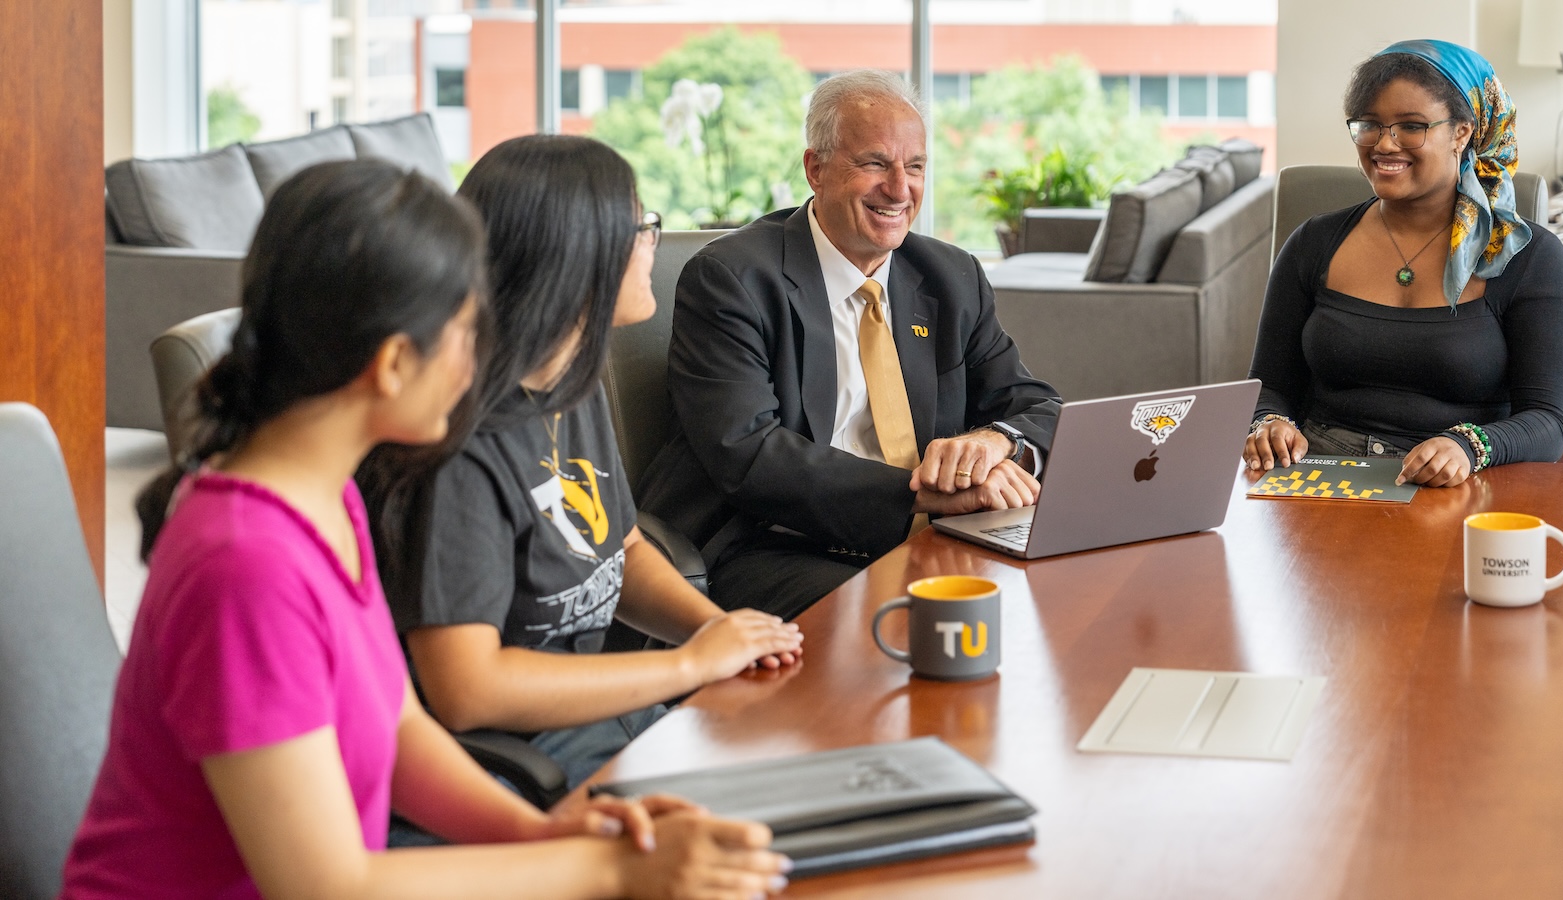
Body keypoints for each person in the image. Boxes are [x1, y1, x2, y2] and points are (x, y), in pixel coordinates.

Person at [62, 159, 791, 900]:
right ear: (392, 363)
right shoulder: (246, 565)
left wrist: (542, 834)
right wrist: (603, 869)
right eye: (470, 330)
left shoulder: (322, 499)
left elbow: (400, 731)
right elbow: (323, 883)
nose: (483, 360)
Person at [358, 135, 803, 791]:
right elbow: (466, 691)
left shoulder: (573, 383)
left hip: (602, 716)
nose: (653, 239)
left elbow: (619, 549)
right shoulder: (459, 442)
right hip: (505, 765)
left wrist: (716, 630)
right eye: (641, 224)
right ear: (576, 251)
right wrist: (688, 666)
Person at [637, 69, 1062, 620]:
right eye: (875, 164)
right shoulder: (733, 278)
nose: (900, 188)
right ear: (816, 169)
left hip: (932, 536)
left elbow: (1039, 407)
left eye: (915, 167)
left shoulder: (950, 276)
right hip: (772, 545)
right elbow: (749, 454)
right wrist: (925, 494)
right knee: (921, 618)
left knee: (1057, 584)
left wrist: (992, 445)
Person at [1245, 39, 1563, 487]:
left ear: (1463, 131)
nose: (1385, 144)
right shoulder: (1313, 242)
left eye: (1411, 126)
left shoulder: (1530, 256)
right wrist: (1268, 424)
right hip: (1318, 473)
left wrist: (1468, 446)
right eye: (1369, 125)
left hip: (1457, 481)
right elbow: (1269, 386)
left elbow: (1547, 421)